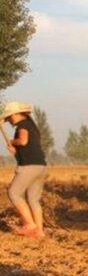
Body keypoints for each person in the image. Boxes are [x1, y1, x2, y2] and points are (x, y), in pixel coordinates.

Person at [2, 102, 48, 238]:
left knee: (13, 193)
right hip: (40, 166)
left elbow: (22, 141)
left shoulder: (22, 125)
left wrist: (12, 141)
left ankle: (30, 224)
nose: (9, 119)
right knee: (33, 200)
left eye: (9, 116)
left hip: (29, 167)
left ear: (16, 114)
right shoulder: (31, 126)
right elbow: (26, 149)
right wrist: (15, 152)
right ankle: (39, 231)